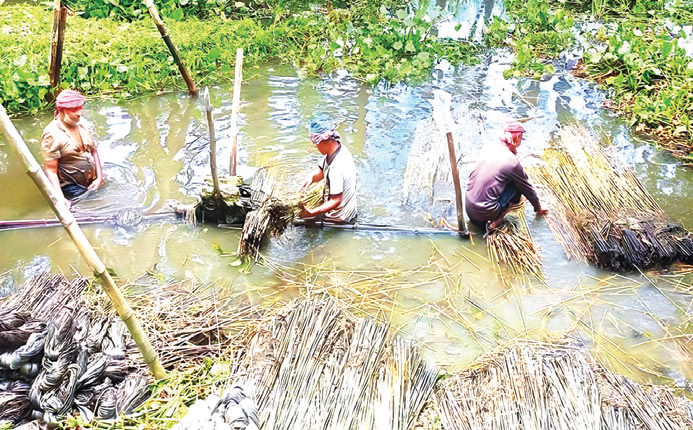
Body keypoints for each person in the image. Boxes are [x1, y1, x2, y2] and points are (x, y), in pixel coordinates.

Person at [465, 121, 548, 231]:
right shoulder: (512, 162)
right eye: (521, 138)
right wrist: (538, 208)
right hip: (487, 213)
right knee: (518, 186)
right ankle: (499, 218)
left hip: (469, 210)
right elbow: (527, 189)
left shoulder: (488, 148)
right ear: (517, 137)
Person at [40, 90, 104, 203]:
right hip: (70, 186)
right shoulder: (52, 134)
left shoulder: (82, 123)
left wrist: (100, 177)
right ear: (61, 111)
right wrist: (60, 199)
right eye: (74, 110)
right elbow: (51, 171)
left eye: (80, 108)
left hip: (92, 180)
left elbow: (94, 150)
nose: (79, 113)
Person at [299, 115, 357, 223]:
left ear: (323, 141)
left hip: (340, 217)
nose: (316, 147)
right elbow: (321, 172)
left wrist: (312, 212)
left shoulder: (337, 167)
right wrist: (310, 179)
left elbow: (335, 201)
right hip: (349, 208)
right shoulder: (337, 148)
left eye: (316, 144)